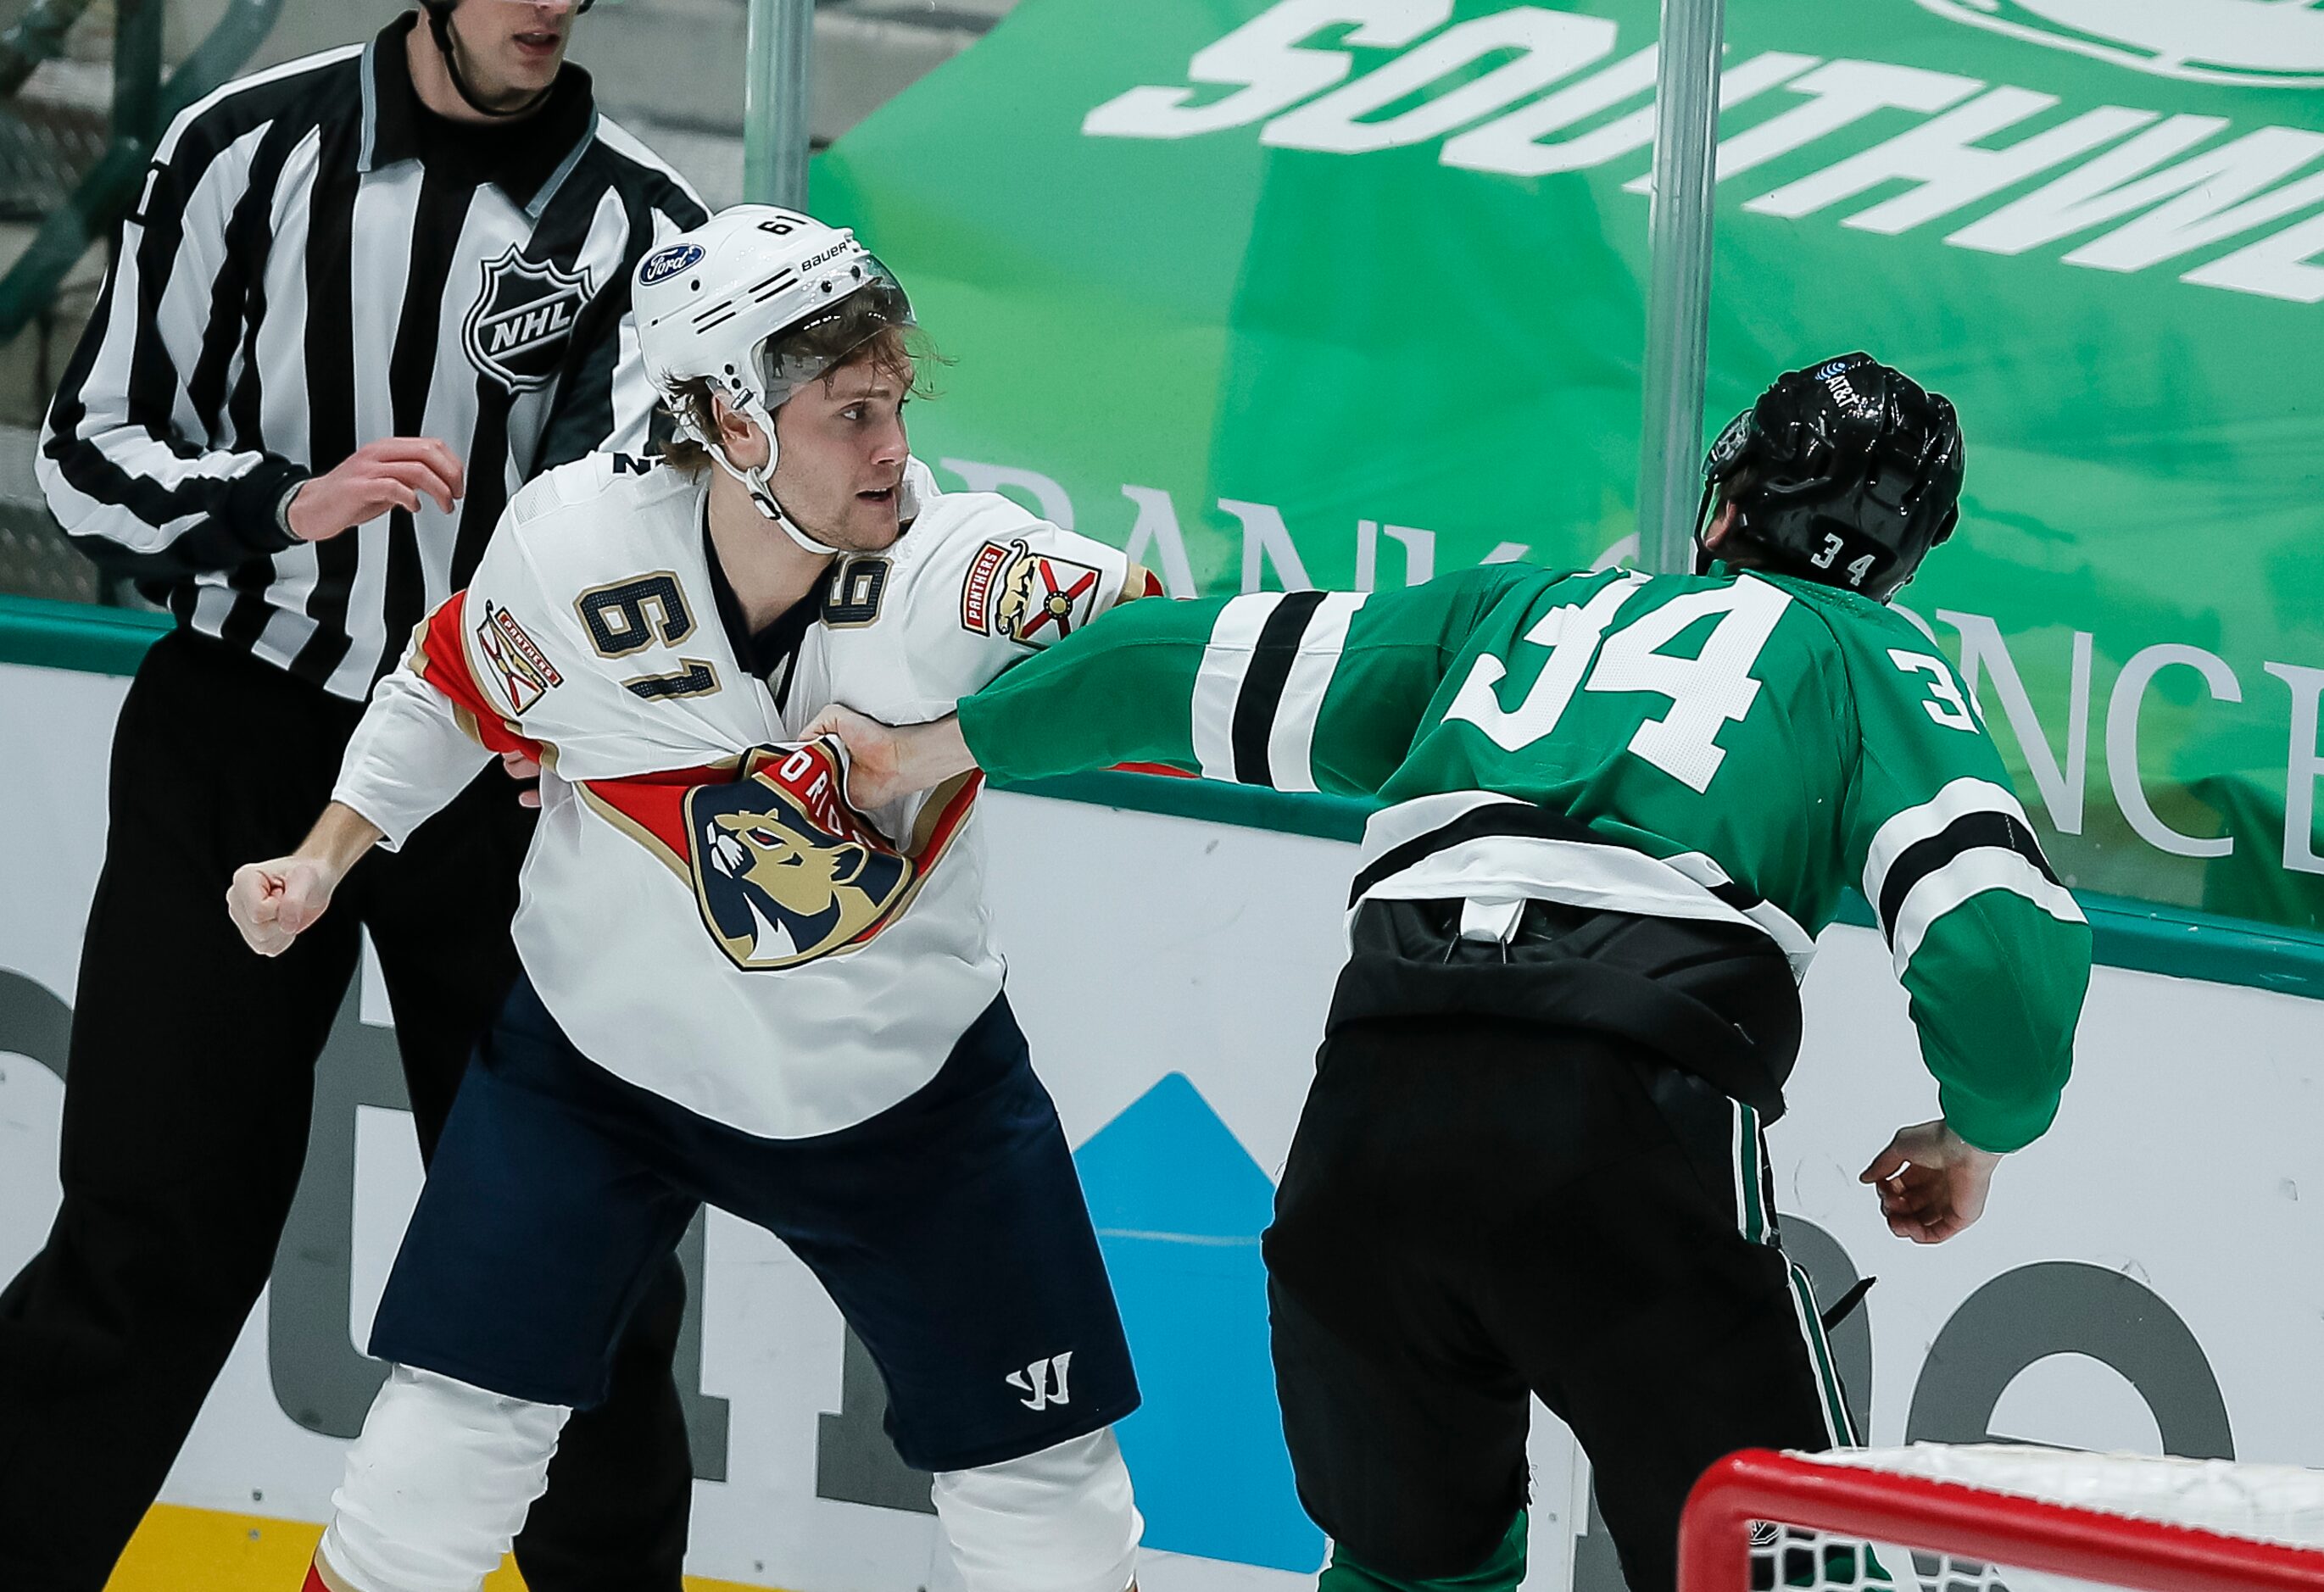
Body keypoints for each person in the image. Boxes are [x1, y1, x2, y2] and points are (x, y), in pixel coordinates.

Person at [812, 353, 2095, 1592]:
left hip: (1367, 1134)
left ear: (1731, 491)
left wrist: (918, 751)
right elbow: (2000, 956)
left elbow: (1169, 660)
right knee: (1783, 1567)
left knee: (1404, 1573)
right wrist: (1974, 1136)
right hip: (1626, 1136)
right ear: (1903, 560)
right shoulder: (1868, 655)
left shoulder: (1515, 610)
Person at [225, 206, 1154, 1592]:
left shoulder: (952, 567)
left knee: (1049, 1502)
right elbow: (448, 688)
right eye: (850, 413)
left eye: (896, 402)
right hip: (600, 1067)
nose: (894, 446)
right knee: (438, 1453)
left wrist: (934, 749)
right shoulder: (576, 545)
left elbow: (1142, 644)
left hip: (906, 1092)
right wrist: (327, 853)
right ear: (728, 422)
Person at [7, 5, 709, 1589]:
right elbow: (83, 451)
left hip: (512, 787)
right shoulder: (243, 149)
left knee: (579, 1265)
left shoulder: (653, 228)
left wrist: (587, 696)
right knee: (146, 1236)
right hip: (244, 738)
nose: (551, 7)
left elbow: (664, 535)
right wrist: (281, 504)